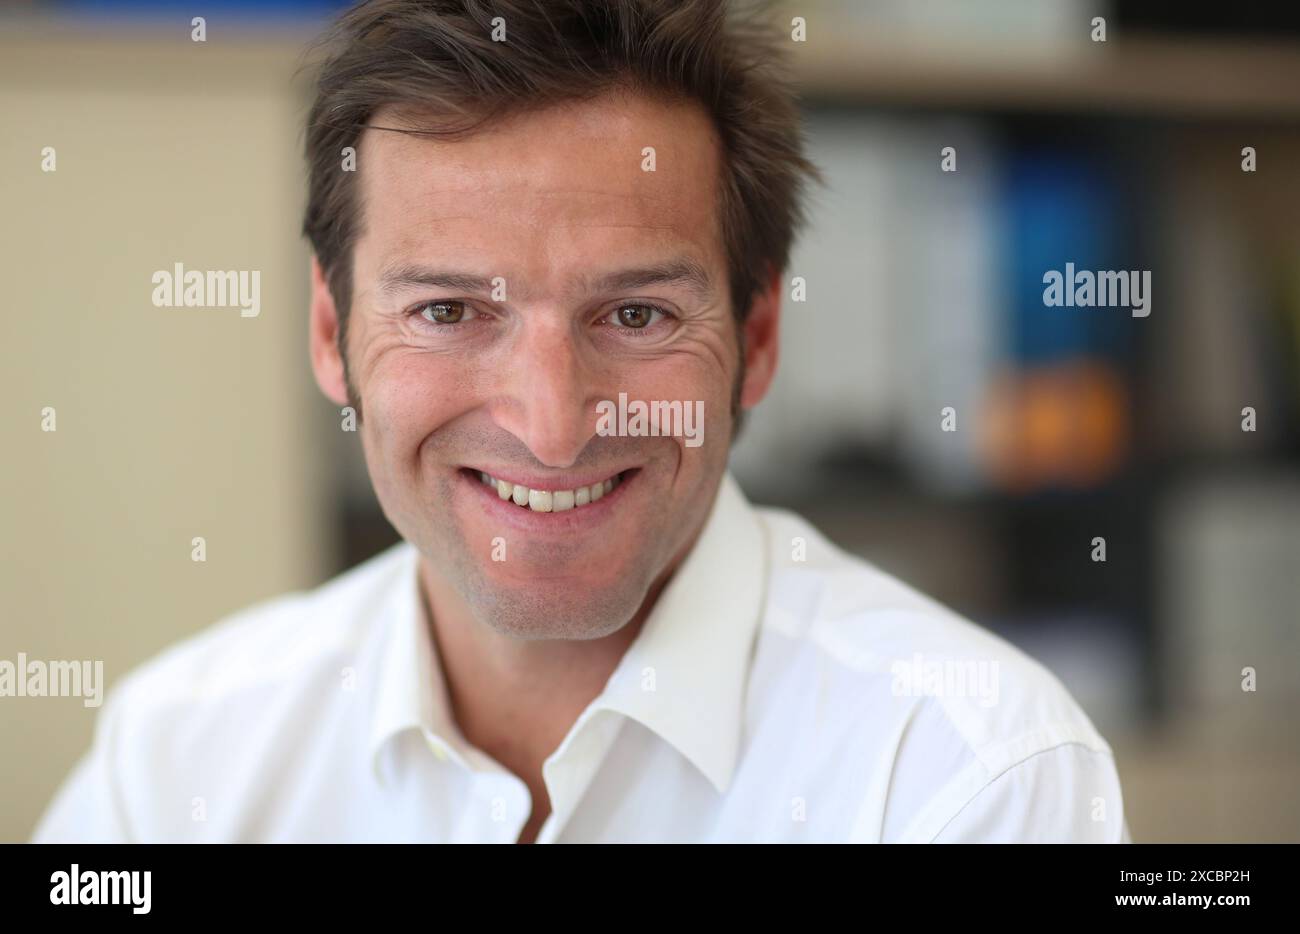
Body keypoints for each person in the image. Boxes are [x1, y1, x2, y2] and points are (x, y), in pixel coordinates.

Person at [32, 0, 1129, 843]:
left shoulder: (965, 777)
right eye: (449, 310)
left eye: (637, 313)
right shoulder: (174, 761)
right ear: (331, 336)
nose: (551, 425)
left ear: (755, 340)